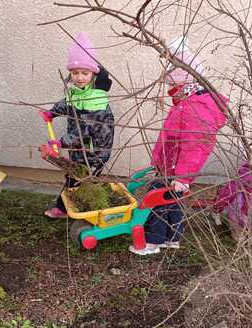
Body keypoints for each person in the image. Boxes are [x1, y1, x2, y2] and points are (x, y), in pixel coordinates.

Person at [130, 38, 229, 255]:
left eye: (172, 84)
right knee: (173, 202)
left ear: (183, 82)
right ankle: (172, 238)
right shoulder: (187, 103)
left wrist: (183, 177)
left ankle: (151, 242)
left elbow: (194, 145)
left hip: (176, 171)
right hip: (171, 168)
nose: (170, 89)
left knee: (157, 201)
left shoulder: (196, 108)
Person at [40, 32, 115, 219]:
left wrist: (61, 142)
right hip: (79, 148)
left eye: (84, 72)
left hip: (94, 151)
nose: (79, 77)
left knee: (77, 177)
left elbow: (84, 129)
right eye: (75, 73)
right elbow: (67, 103)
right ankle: (89, 207)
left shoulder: (95, 99)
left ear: (93, 73)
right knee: (80, 178)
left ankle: (65, 209)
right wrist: (52, 112)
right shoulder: (78, 92)